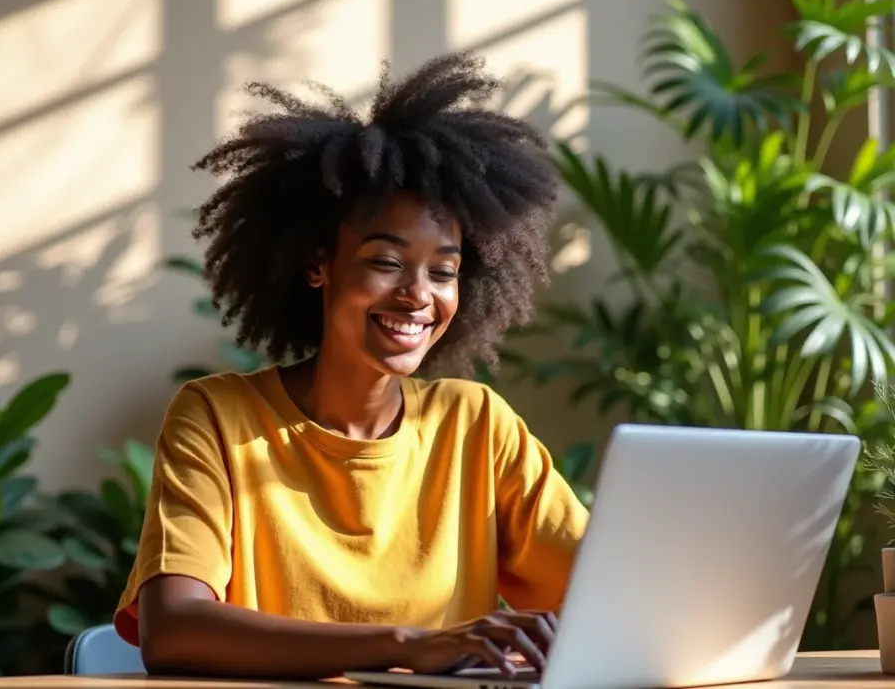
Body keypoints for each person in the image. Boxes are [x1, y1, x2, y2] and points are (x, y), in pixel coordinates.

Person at [112, 52, 589, 680]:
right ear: (319, 264)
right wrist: (405, 645)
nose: (419, 295)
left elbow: (610, 596)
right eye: (386, 262)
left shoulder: (475, 426)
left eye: (443, 271)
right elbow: (174, 630)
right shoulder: (218, 417)